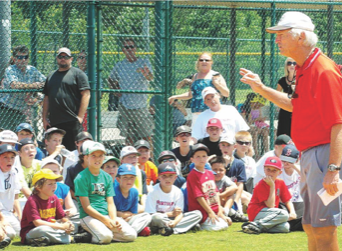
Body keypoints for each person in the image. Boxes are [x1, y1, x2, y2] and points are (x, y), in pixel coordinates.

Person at [240, 11, 342, 250]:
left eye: (282, 34)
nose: (277, 39)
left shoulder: (323, 70)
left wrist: (333, 170)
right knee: (310, 226)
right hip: (310, 155)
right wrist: (261, 87)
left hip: (324, 156)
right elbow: (294, 105)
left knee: (324, 229)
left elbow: (338, 123)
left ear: (301, 37)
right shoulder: (305, 67)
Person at [74, 141, 137, 243]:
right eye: (93, 155)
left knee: (131, 235)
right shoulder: (81, 177)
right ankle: (90, 234)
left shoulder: (107, 177)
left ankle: (95, 233)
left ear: (104, 157)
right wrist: (105, 220)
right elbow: (86, 207)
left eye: (100, 156)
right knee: (105, 237)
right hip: (89, 216)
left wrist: (113, 220)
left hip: (107, 215)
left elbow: (110, 202)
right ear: (86, 157)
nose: (97, 159)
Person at [20, 169, 91, 246]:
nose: (54, 186)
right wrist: (61, 227)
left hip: (53, 227)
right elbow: (37, 223)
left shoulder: (54, 198)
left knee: (77, 217)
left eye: (55, 183)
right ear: (38, 187)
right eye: (50, 184)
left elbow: (62, 217)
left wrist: (68, 224)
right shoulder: (32, 200)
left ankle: (44, 240)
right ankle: (72, 238)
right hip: (33, 231)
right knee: (43, 230)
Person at [42, 47, 91, 151]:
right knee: (55, 151)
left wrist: (80, 117)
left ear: (71, 59)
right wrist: (44, 118)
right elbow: (46, 97)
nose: (63, 59)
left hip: (71, 121)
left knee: (72, 151)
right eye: (60, 56)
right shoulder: (51, 75)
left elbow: (86, 94)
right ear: (57, 58)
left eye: (66, 56)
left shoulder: (78, 74)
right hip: (54, 122)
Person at [108, 38, 154, 146]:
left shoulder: (143, 62)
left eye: (131, 47)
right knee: (129, 137)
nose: (129, 49)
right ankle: (129, 158)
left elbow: (150, 78)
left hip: (140, 105)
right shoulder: (120, 65)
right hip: (125, 105)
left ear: (135, 49)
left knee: (146, 136)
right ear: (123, 50)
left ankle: (150, 159)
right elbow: (110, 79)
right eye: (126, 47)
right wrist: (116, 90)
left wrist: (146, 73)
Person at [168, 52, 229, 126]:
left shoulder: (216, 75)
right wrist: (175, 96)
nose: (204, 62)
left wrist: (217, 84)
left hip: (212, 111)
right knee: (197, 135)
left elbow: (226, 93)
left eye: (207, 60)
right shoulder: (195, 76)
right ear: (198, 62)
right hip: (197, 111)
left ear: (211, 62)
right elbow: (190, 94)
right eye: (201, 60)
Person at [242, 156, 296, 234]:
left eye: (274, 170)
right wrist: (272, 186)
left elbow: (287, 200)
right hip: (257, 212)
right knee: (283, 213)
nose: (270, 173)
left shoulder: (280, 182)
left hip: (271, 214)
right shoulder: (261, 184)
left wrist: (292, 212)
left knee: (285, 227)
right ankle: (256, 224)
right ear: (264, 169)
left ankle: (255, 227)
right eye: (268, 169)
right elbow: (270, 205)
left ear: (280, 172)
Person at [145, 163, 202, 236]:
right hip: (160, 220)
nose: (167, 179)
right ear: (159, 177)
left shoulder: (178, 192)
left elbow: (179, 213)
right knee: (156, 217)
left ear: (175, 177)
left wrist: (174, 222)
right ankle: (182, 228)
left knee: (197, 214)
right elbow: (151, 214)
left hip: (173, 220)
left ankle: (166, 230)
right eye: (164, 176)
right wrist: (169, 214)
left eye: (170, 176)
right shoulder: (153, 191)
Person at [0, 45, 46, 130]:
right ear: (14, 59)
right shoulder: (11, 69)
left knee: (24, 136)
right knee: (6, 136)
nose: (23, 60)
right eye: (20, 57)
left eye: (26, 57)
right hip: (6, 109)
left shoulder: (32, 70)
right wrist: (34, 86)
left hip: (22, 112)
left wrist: (36, 98)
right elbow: (15, 85)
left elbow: (46, 82)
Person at [187, 144, 230, 231]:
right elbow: (199, 197)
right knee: (220, 227)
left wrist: (219, 211)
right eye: (198, 157)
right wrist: (210, 212)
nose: (201, 159)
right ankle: (198, 225)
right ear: (192, 159)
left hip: (214, 209)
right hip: (202, 211)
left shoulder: (209, 173)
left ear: (207, 158)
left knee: (228, 222)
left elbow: (216, 193)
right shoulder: (193, 175)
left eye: (204, 156)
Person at [114, 163, 152, 237]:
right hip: (116, 221)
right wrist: (121, 214)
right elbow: (110, 212)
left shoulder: (134, 192)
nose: (129, 180)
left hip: (128, 220)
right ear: (118, 179)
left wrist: (124, 215)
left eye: (132, 177)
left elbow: (133, 213)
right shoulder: (114, 191)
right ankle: (131, 232)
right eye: (125, 177)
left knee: (146, 216)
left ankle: (130, 232)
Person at [209, 156, 248, 222]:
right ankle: (233, 214)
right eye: (215, 169)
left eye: (221, 170)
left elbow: (235, 187)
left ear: (225, 171)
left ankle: (226, 212)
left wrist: (221, 195)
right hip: (211, 204)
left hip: (223, 203)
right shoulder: (208, 179)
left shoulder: (224, 178)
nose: (218, 172)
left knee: (231, 193)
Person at [0, 144, 22, 239]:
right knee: (10, 234)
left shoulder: (14, 172)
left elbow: (15, 198)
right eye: (5, 157)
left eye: (12, 157)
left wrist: (21, 217)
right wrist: (2, 219)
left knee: (20, 231)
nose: (9, 160)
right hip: (1, 213)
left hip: (7, 212)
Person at [279, 144, 304, 219]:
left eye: (289, 160)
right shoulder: (279, 171)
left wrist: (294, 166)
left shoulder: (299, 170)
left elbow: (309, 180)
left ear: (296, 160)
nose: (286, 163)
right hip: (284, 204)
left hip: (300, 203)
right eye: (284, 160)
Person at [276, 57, 296, 137]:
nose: (292, 65)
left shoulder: (301, 78)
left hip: (296, 110)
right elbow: (277, 95)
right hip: (284, 109)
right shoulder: (282, 80)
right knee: (283, 133)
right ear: (286, 66)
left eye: (294, 63)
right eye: (289, 63)